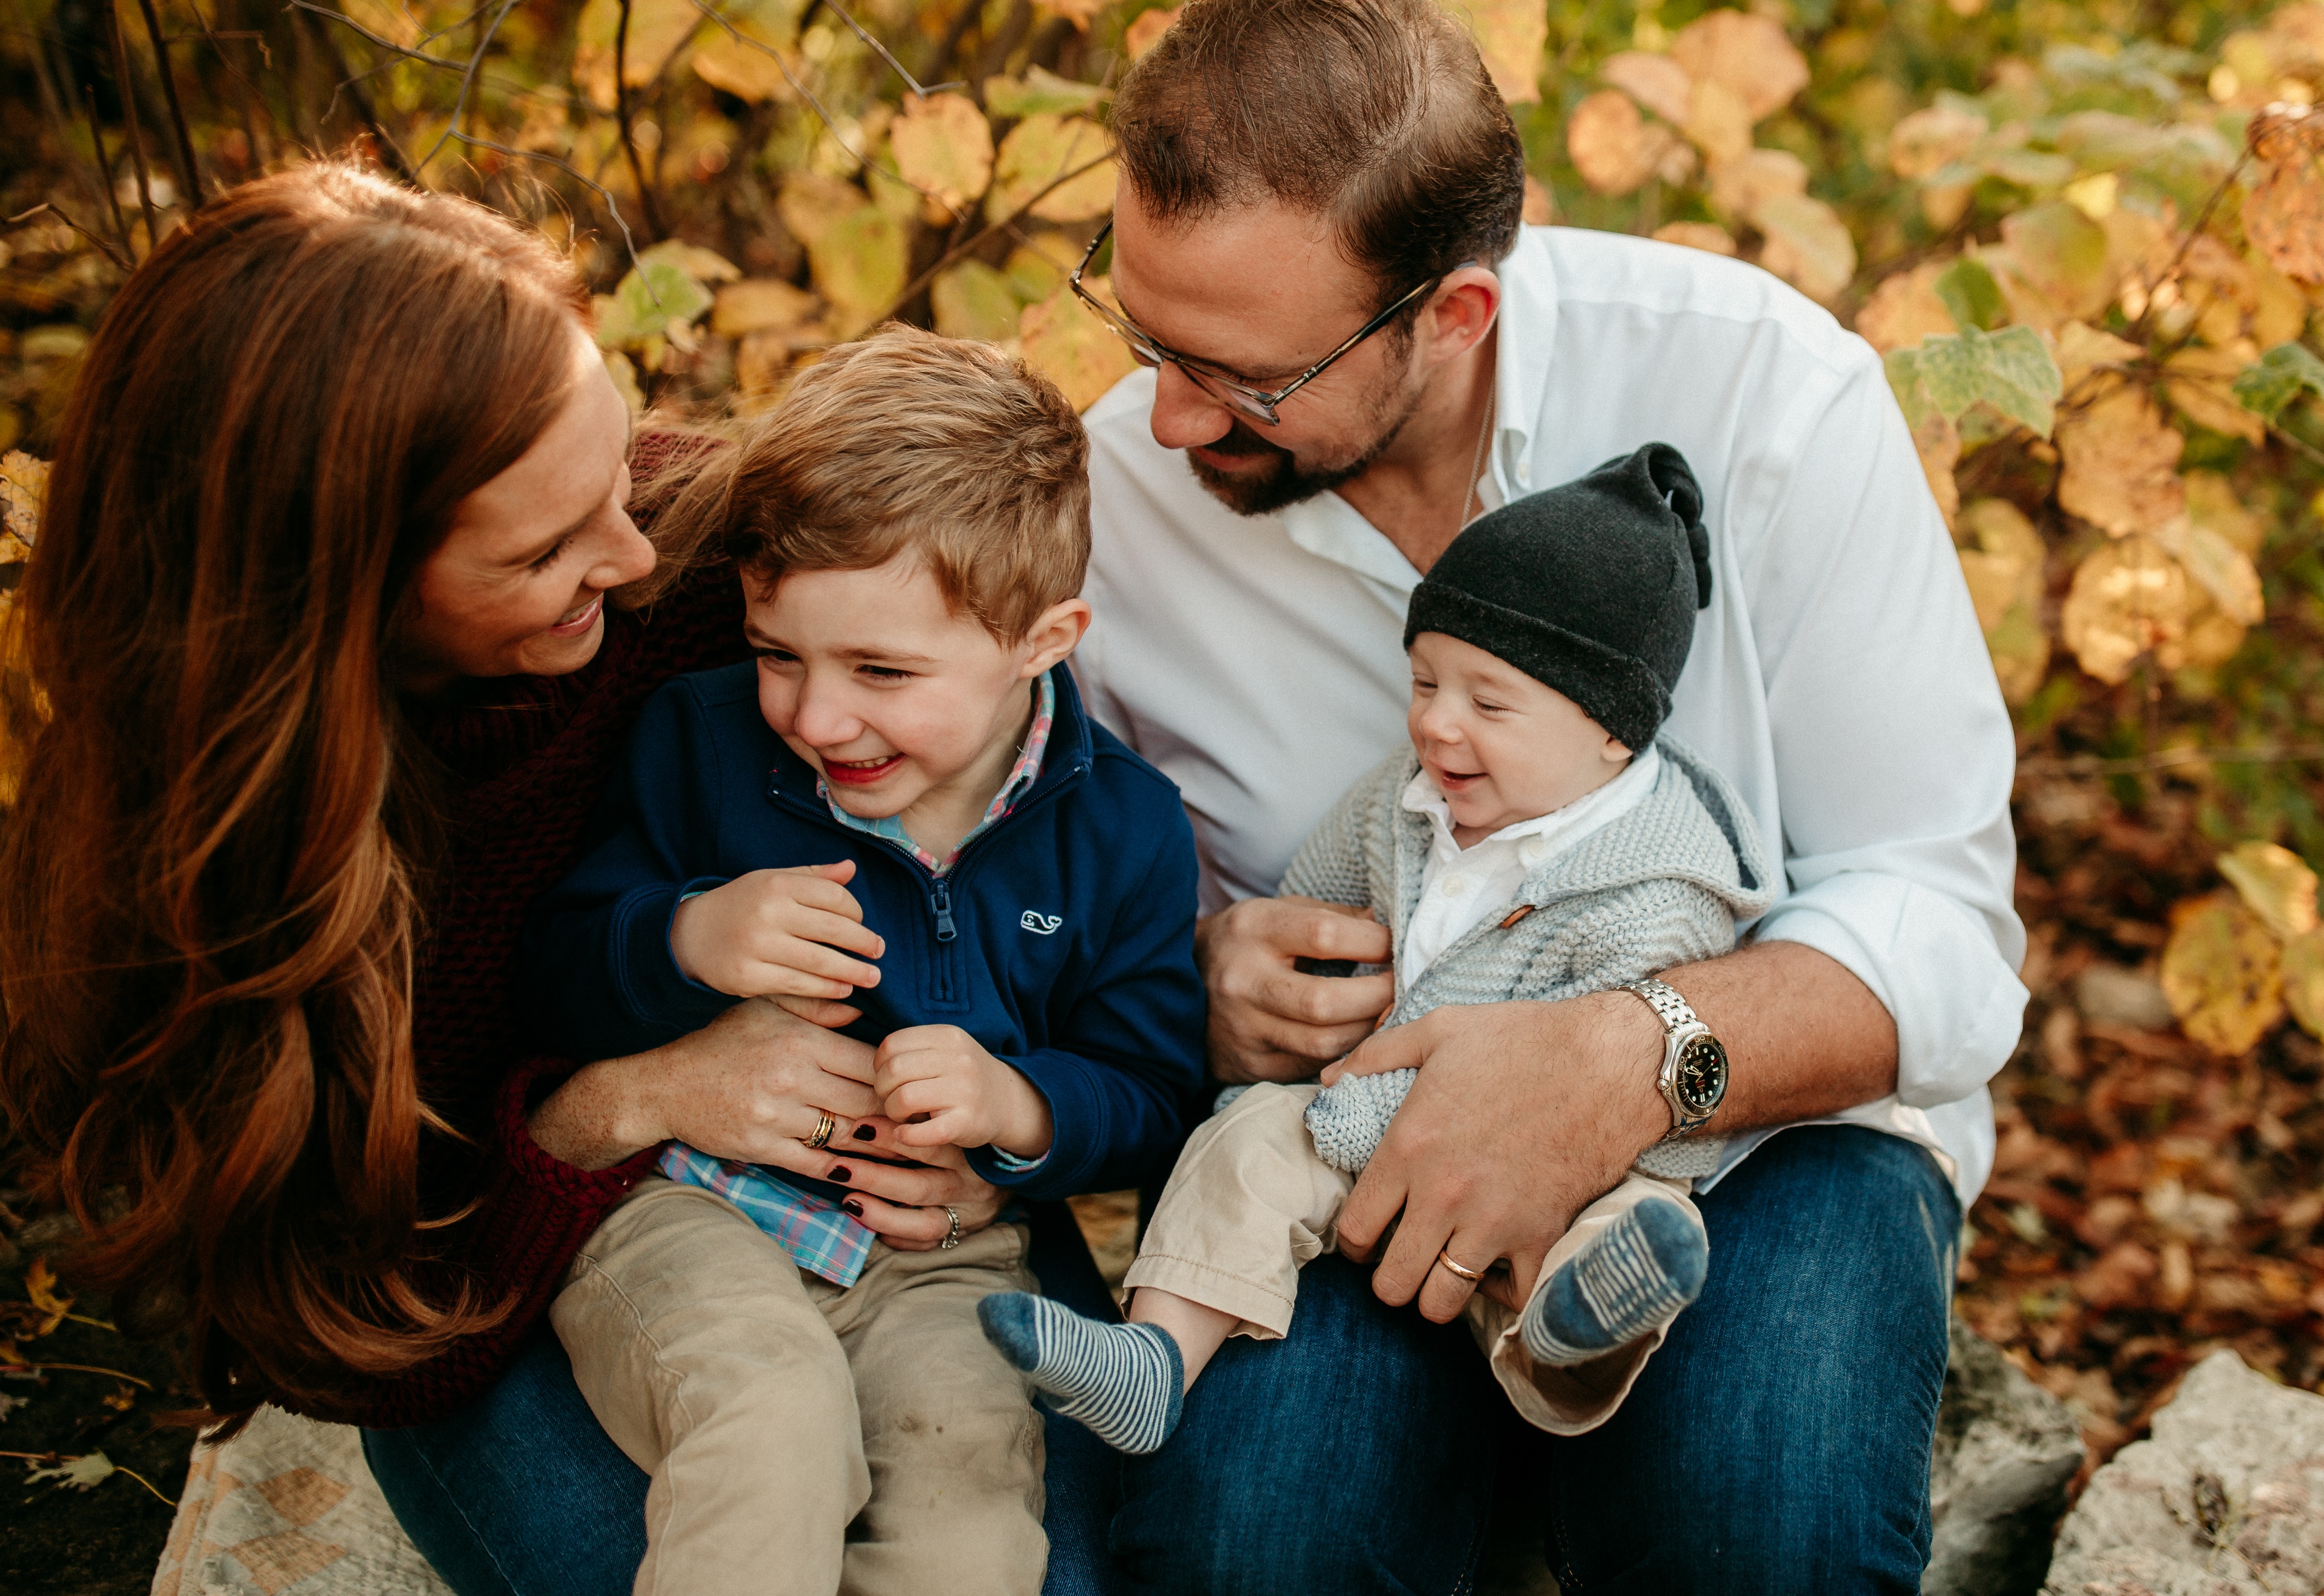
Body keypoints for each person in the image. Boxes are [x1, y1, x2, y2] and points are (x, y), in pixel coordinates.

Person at [1059, 0, 2026, 1593]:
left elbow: (1938, 924)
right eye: (1139, 328)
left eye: (1243, 377)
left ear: (1452, 313)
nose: (1163, 421)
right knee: (1242, 1550)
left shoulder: (1761, 393)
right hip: (1335, 1140)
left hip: (1765, 1138)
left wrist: (1624, 1056)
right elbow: (1067, 897)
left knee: (1754, 1535)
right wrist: (1197, 979)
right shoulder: (1113, 502)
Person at [0, 166, 1092, 1596]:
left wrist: (1012, 1100)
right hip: (521, 1288)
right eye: (545, 548)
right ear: (334, 585)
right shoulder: (193, 848)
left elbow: (1011, 751)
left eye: (617, 471)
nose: (633, 554)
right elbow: (324, 1303)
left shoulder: (718, 575)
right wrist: (629, 1099)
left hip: (890, 1232)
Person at [518, 327, 1204, 1595]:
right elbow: (552, 973)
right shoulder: (700, 743)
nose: (817, 717)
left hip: (938, 1257)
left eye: (880, 671)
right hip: (683, 1211)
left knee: (970, 1527)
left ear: (1044, 640)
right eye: (778, 654)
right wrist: (684, 936)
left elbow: (1154, 1090)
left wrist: (1025, 1107)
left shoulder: (1122, 831)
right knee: (771, 1427)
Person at [987, 442, 1791, 1455]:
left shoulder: (1658, 891)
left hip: (1539, 1149)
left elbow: (1625, 1079)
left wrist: (1561, 1149)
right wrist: (1278, 1003)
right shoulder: (1401, 804)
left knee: (1616, 1213)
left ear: (1613, 735)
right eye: (1424, 682)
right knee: (1241, 1151)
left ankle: (1567, 1324)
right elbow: (1313, 896)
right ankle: (1156, 1354)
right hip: (1354, 1109)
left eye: (1488, 703)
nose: (1437, 726)